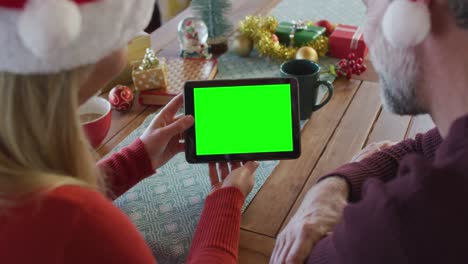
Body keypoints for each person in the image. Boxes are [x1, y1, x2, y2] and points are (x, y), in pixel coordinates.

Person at [0, 0, 258, 263]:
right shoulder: (83, 222)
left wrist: (134, 161)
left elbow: (48, 220)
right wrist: (226, 204)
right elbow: (64, 221)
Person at [271, 0, 468, 263]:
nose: (368, 32)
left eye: (368, 7)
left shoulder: (400, 225)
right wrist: (332, 187)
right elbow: (426, 147)